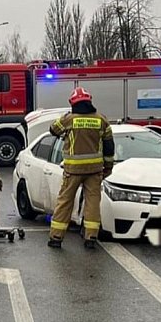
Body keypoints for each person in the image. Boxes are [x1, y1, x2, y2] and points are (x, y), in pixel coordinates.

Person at [48, 87, 114, 249]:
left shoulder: (69, 119)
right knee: (92, 203)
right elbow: (109, 146)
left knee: (65, 202)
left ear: (72, 103)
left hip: (73, 170)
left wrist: (64, 118)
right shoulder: (101, 120)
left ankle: (56, 237)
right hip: (94, 170)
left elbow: (52, 130)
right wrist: (108, 167)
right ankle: (91, 237)